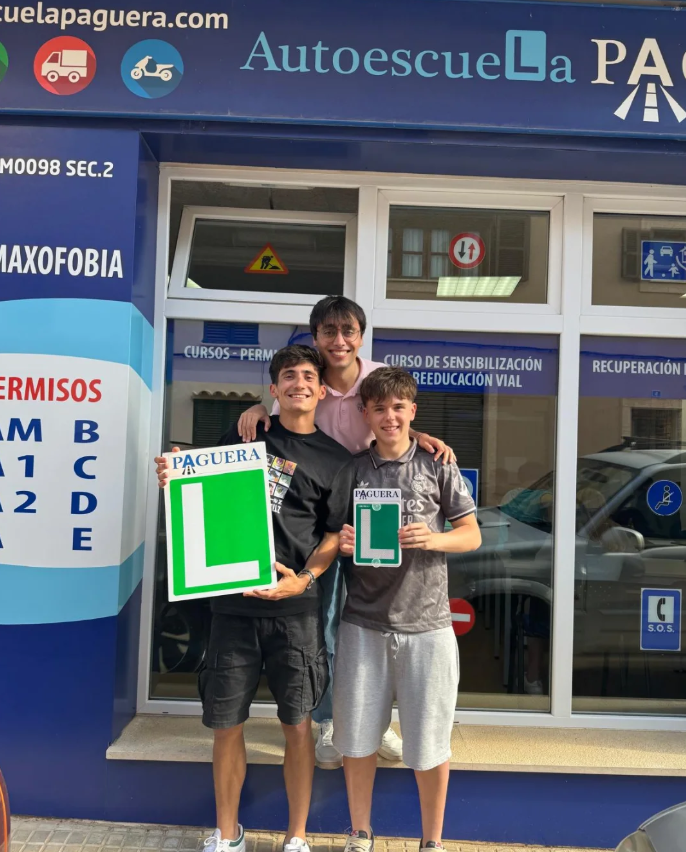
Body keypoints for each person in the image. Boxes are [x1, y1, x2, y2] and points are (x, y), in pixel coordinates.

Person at [238, 295, 455, 769]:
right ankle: (330, 720)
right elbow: (283, 403)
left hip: (378, 514)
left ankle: (378, 723)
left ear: (361, 336)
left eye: (348, 331)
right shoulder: (307, 375)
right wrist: (257, 406)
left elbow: (394, 413)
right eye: (329, 332)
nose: (339, 341)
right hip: (324, 518)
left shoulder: (375, 375)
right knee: (328, 624)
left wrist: (421, 437)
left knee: (376, 623)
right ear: (315, 337)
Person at [155, 345, 352, 852]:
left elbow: (333, 536)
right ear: (274, 388)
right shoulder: (246, 437)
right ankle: (228, 835)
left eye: (308, 376)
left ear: (322, 390)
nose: (299, 383)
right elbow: (200, 491)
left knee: (298, 725)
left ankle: (297, 837)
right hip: (232, 609)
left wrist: (303, 579)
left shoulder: (336, 460)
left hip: (296, 613)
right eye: (288, 376)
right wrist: (175, 477)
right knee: (226, 725)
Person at [335, 367, 481, 852]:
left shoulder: (438, 464)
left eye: (399, 407)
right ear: (366, 415)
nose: (390, 417)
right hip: (363, 622)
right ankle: (360, 832)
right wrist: (345, 542)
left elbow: (472, 535)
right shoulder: (353, 470)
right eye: (379, 408)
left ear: (412, 411)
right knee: (358, 739)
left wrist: (434, 538)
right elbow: (332, 536)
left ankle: (431, 842)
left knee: (430, 743)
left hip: (428, 626)